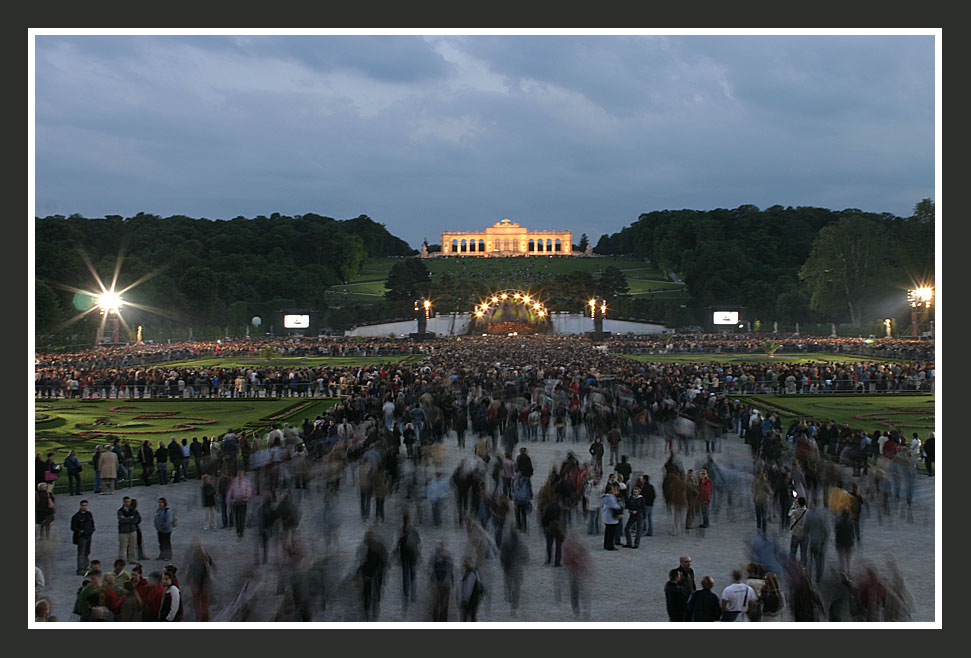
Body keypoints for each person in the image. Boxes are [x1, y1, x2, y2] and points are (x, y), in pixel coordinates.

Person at [186, 541, 215, 621]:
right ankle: (205, 619)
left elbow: (190, 575)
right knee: (205, 604)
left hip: (196, 586)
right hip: (205, 586)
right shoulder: (206, 560)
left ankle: (199, 619)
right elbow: (213, 566)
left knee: (198, 605)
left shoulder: (193, 563)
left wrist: (188, 584)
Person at [429, 541, 454, 622]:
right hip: (440, 584)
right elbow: (451, 572)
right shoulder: (436, 557)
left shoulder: (444, 557)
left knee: (440, 604)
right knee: (440, 605)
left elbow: (450, 571)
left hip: (442, 584)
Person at [71, 499, 96, 575]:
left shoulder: (89, 514)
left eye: (86, 505)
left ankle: (86, 566)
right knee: (81, 552)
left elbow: (91, 522)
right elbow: (73, 527)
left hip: (88, 535)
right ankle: (81, 568)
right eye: (83, 505)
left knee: (87, 552)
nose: (85, 507)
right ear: (80, 506)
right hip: (81, 537)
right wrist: (80, 531)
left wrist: (92, 530)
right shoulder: (76, 516)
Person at [227, 470, 253, 538]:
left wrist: (247, 496)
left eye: (241, 474)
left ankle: (241, 531)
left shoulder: (246, 482)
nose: (240, 475)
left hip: (243, 501)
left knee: (242, 517)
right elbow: (230, 491)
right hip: (236, 502)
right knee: (237, 517)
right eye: (239, 474)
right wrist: (229, 501)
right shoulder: (234, 482)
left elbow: (249, 489)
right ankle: (238, 530)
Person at [459, 556, 484, 621]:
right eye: (465, 562)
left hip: (471, 600)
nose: (466, 564)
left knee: (468, 617)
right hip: (473, 600)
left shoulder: (471, 574)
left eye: (467, 562)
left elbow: (468, 588)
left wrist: (465, 599)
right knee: (471, 617)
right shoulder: (472, 572)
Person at [117, 496, 139, 564]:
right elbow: (121, 520)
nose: (128, 503)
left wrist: (126, 519)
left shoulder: (134, 510)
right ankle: (121, 560)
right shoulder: (120, 511)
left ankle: (132, 559)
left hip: (132, 530)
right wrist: (130, 518)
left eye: (129, 502)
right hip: (123, 532)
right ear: (124, 502)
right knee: (122, 547)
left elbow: (136, 519)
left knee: (133, 546)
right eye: (126, 502)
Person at [788, 495, 809, 567]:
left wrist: (793, 505)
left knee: (793, 551)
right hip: (804, 534)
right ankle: (804, 566)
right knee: (803, 552)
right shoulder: (807, 512)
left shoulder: (795, 512)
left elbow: (789, 514)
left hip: (796, 533)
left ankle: (792, 565)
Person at [601, 483, 622, 550]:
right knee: (611, 532)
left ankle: (606, 544)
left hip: (606, 516)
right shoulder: (611, 497)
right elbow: (614, 506)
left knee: (607, 532)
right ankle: (610, 546)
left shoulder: (605, 496)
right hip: (611, 517)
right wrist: (620, 507)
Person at [835, 508, 855, 574]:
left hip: (841, 543)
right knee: (848, 557)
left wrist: (836, 541)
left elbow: (837, 532)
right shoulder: (851, 522)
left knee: (842, 556)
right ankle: (849, 570)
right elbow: (853, 533)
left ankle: (844, 570)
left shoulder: (839, 523)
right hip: (849, 542)